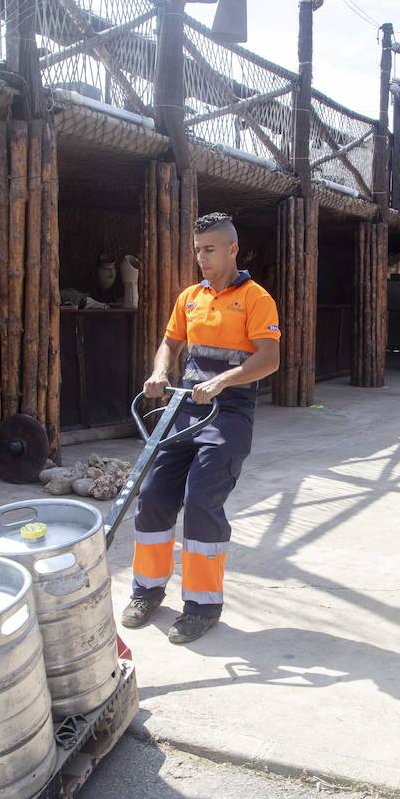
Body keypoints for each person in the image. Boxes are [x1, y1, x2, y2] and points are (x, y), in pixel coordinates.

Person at [121, 212, 281, 645]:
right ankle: (147, 591)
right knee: (153, 494)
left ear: (232, 249)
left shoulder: (256, 299)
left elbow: (269, 358)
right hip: (185, 407)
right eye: (197, 250)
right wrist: (159, 371)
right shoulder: (190, 297)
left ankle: (202, 606)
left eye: (209, 249)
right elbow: (170, 342)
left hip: (229, 412)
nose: (201, 258)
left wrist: (222, 381)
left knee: (200, 502)